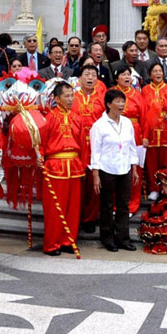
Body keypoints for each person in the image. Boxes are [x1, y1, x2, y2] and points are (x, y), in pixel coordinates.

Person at [38, 82, 84, 256]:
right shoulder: (48, 118)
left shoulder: (77, 118)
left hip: (74, 166)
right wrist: (40, 158)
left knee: (73, 208)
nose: (71, 99)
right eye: (67, 96)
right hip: (55, 167)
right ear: (57, 99)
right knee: (54, 209)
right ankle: (52, 243)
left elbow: (82, 144)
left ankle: (68, 241)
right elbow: (41, 141)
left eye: (72, 95)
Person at [90, 89, 139, 252]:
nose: (121, 104)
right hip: (106, 169)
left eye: (122, 101)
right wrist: (96, 174)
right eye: (117, 101)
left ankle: (123, 238)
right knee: (107, 205)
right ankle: (107, 237)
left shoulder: (127, 123)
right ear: (109, 104)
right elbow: (95, 151)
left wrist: (134, 168)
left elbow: (132, 146)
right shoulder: (99, 125)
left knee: (123, 204)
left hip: (124, 168)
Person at [71, 64, 106, 229]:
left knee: (94, 182)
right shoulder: (71, 96)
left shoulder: (102, 97)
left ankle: (90, 218)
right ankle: (75, 216)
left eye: (93, 75)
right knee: (78, 182)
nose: (90, 78)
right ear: (79, 78)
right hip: (76, 144)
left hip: (96, 145)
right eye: (87, 74)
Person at [111, 64, 148, 215]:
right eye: (123, 75)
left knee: (135, 168)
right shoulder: (111, 93)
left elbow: (145, 117)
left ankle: (132, 204)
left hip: (134, 132)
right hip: (114, 131)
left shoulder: (137, 95)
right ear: (116, 77)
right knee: (115, 168)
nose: (127, 77)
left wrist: (145, 136)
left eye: (128, 75)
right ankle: (115, 204)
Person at [141, 63, 167, 202]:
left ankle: (166, 188)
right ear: (150, 74)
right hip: (151, 132)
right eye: (154, 71)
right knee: (151, 163)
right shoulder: (144, 90)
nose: (158, 73)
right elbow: (143, 112)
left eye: (160, 71)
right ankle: (154, 189)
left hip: (166, 131)